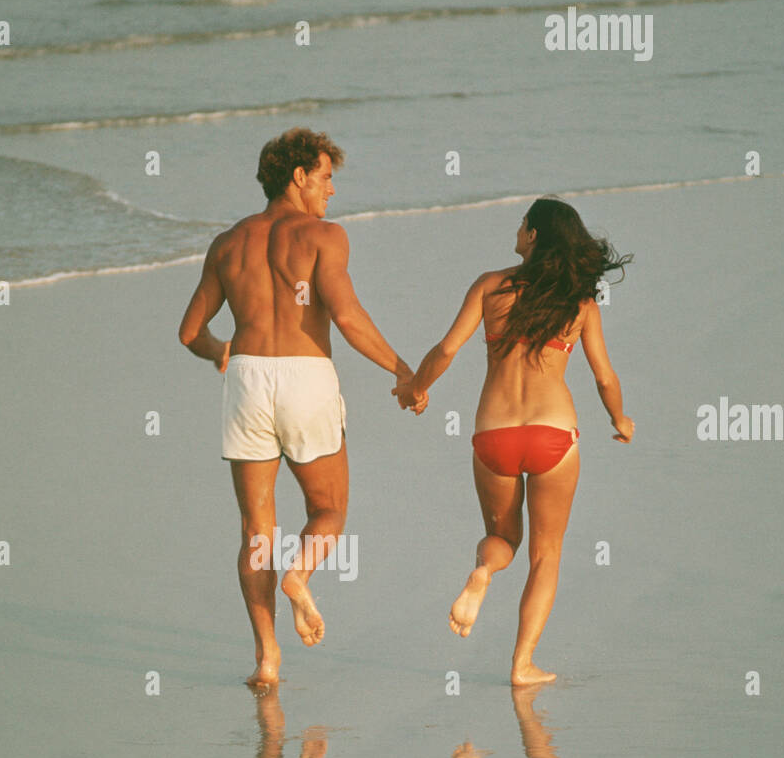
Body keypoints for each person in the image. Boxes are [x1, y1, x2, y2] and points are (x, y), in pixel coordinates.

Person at [179, 128, 420, 689]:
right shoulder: (323, 237)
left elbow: (191, 331)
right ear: (299, 176)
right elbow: (347, 316)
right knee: (329, 508)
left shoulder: (227, 243)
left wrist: (222, 351)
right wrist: (403, 371)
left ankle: (266, 658)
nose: (331, 191)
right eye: (326, 177)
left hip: (246, 380)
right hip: (305, 376)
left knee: (256, 529)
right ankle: (300, 576)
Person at [396, 197, 634, 685]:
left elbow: (446, 349)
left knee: (503, 538)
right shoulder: (581, 302)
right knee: (546, 553)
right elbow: (604, 376)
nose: (518, 228)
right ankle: (522, 664)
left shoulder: (491, 287)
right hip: (553, 437)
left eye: (523, 223)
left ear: (534, 237)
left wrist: (417, 388)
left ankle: (483, 572)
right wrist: (621, 418)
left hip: (494, 435)